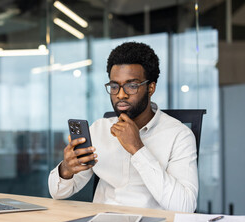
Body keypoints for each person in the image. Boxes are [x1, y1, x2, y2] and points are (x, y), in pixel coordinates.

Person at [48, 42, 198, 213]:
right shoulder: (98, 130)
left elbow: (185, 207)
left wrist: (137, 149)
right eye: (114, 86)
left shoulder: (179, 135)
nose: (121, 94)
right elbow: (57, 192)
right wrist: (66, 169)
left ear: (151, 88)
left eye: (132, 86)